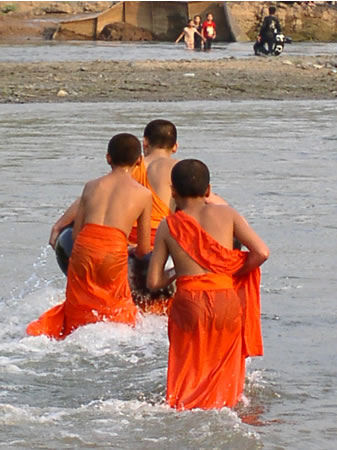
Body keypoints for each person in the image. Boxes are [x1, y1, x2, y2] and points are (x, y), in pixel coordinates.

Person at [147, 159, 269, 410]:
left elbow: (153, 282)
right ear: (208, 190)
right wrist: (232, 271)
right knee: (224, 376)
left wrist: (176, 272)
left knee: (187, 371)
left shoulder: (168, 225)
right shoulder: (227, 213)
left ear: (172, 191)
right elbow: (261, 253)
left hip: (189, 302)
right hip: (225, 299)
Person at [27, 133, 152, 339]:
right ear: (139, 161)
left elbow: (76, 233)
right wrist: (127, 247)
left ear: (108, 158)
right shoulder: (143, 194)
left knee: (79, 304)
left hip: (84, 245)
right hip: (114, 250)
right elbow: (144, 249)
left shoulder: (91, 186)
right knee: (116, 310)